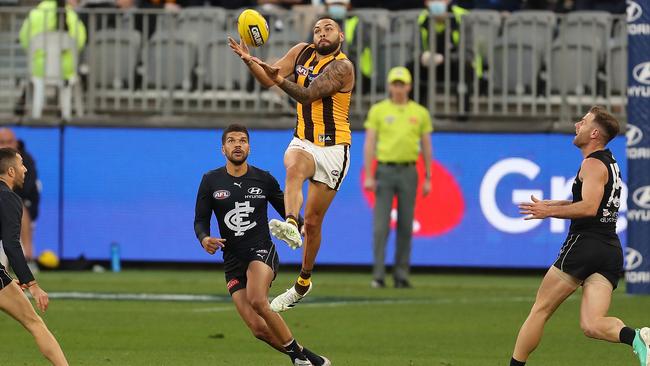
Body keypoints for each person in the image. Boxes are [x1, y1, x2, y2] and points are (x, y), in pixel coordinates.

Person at [228, 16, 354, 312]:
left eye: (329, 29)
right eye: (317, 29)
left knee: (314, 223)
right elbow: (266, 79)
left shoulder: (342, 67)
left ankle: (303, 282)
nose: (322, 33)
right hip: (303, 140)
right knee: (294, 167)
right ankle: (289, 222)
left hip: (334, 149)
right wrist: (250, 61)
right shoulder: (301, 52)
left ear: (341, 36)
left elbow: (308, 95)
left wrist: (278, 78)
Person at [510, 106, 650, 366]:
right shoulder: (608, 162)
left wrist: (548, 213)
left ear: (594, 133)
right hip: (609, 249)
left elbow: (588, 207)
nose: (577, 125)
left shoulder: (593, 163)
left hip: (585, 245)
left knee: (540, 310)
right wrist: (553, 205)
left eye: (583, 122)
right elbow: (592, 201)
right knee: (592, 324)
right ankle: (637, 338)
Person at [193, 124, 330, 366]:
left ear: (249, 147)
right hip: (232, 259)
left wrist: (296, 225)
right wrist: (205, 238)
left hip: (261, 251)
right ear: (222, 149)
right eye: (232, 141)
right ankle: (309, 358)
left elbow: (289, 209)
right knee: (259, 329)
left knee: (258, 300)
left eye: (243, 140)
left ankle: (299, 361)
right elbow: (201, 220)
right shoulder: (210, 181)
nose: (238, 144)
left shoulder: (263, 179)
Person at [363, 67, 432, 289]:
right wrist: (369, 174)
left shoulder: (420, 112)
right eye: (395, 84)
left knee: (405, 224)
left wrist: (428, 175)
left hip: (408, 170)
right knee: (380, 226)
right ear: (390, 86)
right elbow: (370, 143)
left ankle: (401, 274)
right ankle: (379, 274)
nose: (398, 88)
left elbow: (426, 146)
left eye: (402, 84)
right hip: (385, 169)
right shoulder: (379, 110)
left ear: (409, 86)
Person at [0, 148, 68, 366]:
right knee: (34, 323)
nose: (25, 168)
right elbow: (11, 244)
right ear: (11, 171)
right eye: (21, 164)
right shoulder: (9, 198)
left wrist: (9, 279)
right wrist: (32, 284)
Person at [0, 128, 40, 272]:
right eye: (2, 142)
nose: (6, 145)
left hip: (22, 203)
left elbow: (26, 188)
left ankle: (28, 256)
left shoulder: (25, 160)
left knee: (17, 204)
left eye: (9, 141)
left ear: (16, 143)